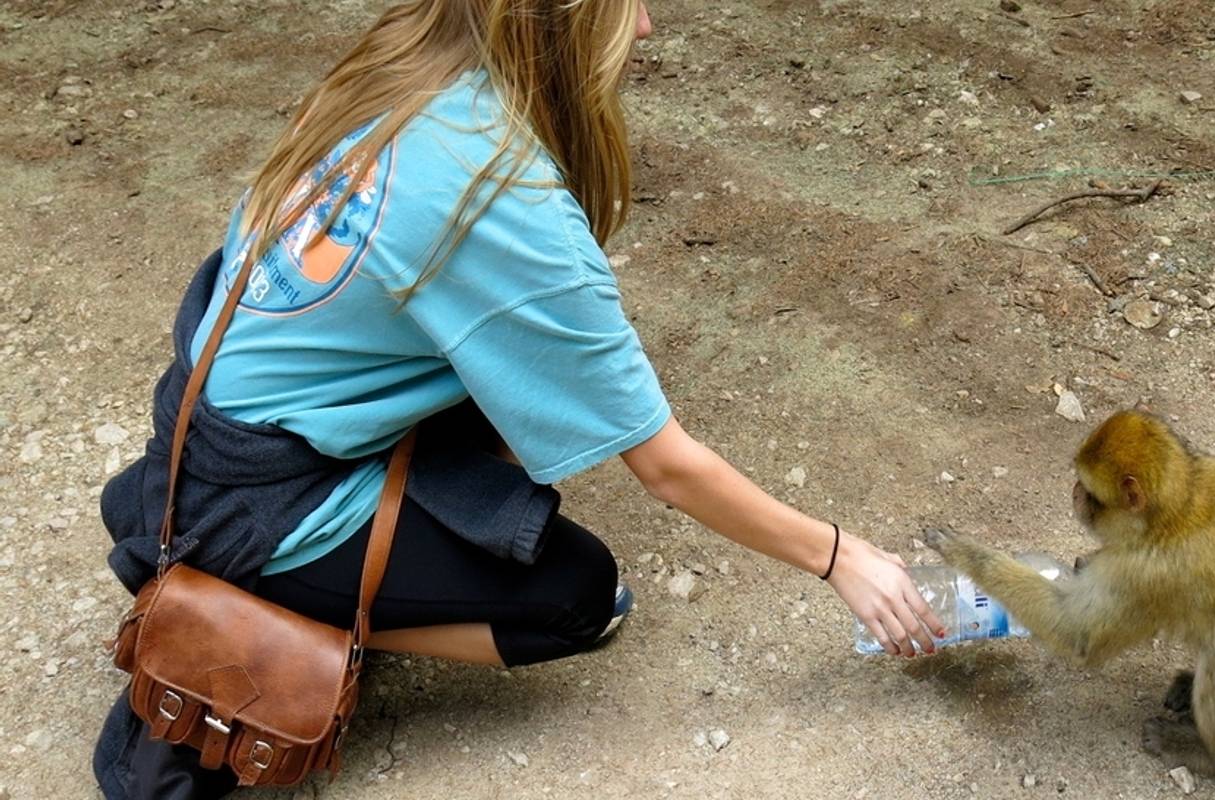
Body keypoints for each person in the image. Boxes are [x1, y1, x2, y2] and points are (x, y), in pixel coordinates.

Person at [94, 1, 942, 796]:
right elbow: (668, 467)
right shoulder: (498, 197)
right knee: (581, 597)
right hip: (266, 489)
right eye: (628, 1)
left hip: (200, 423)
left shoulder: (398, 72)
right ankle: (250, 602)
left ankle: (196, 534)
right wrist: (839, 557)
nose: (646, 26)